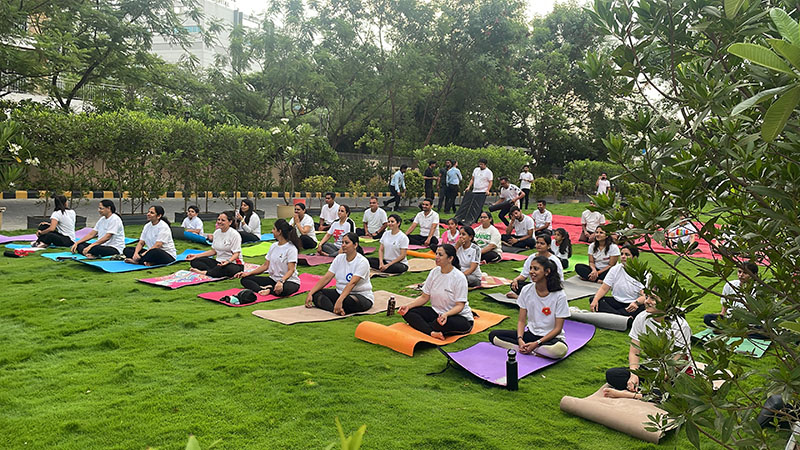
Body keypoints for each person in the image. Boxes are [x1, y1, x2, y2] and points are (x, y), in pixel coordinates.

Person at [603, 296, 692, 399]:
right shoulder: (642, 317)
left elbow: (677, 363)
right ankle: (649, 393)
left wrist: (658, 381)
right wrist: (634, 374)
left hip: (673, 375)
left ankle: (631, 395)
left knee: (679, 393)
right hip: (651, 370)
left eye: (653, 299)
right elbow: (634, 351)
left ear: (666, 301)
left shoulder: (680, 325)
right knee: (613, 375)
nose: (646, 301)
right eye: (647, 297)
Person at [489, 255, 570, 359]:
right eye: (530, 268)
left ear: (547, 272)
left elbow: (558, 329)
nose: (531, 272)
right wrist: (520, 339)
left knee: (559, 350)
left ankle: (530, 348)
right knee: (494, 335)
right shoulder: (526, 290)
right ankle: (527, 348)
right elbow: (521, 321)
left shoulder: (559, 295)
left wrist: (536, 343)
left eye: (536, 269)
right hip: (531, 334)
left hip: (550, 338)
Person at [398, 244, 474, 339]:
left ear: (450, 258)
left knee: (441, 323)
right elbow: (424, 297)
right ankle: (432, 332)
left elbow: (460, 305)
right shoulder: (434, 272)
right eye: (436, 254)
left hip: (457, 316)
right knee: (409, 313)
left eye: (440, 255)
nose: (436, 257)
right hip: (437, 313)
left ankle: (427, 327)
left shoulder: (459, 277)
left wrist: (446, 314)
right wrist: (408, 306)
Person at [306, 233, 374, 315]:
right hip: (339, 292)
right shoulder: (339, 258)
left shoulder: (362, 262)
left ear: (355, 245)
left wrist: (340, 300)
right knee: (316, 294)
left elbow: (352, 283)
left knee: (347, 301)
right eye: (342, 243)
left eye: (347, 243)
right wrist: (311, 293)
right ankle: (335, 309)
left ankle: (337, 306)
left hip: (359, 295)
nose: (343, 245)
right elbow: (327, 277)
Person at [235, 219, 302, 297]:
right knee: (245, 280)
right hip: (273, 280)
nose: (272, 231)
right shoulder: (273, 246)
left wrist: (281, 281)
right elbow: (265, 266)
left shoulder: (291, 248)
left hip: (288, 281)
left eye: (274, 229)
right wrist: (247, 274)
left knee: (283, 290)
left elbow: (291, 270)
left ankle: (269, 290)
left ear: (279, 232)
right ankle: (262, 290)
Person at [589, 245, 648, 317]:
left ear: (635, 257)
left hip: (633, 304)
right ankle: (621, 317)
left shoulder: (642, 272)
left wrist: (636, 303)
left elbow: (645, 296)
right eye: (622, 254)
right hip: (616, 302)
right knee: (593, 299)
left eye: (627, 255)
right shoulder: (615, 269)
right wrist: (595, 300)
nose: (623, 256)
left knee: (644, 307)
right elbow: (604, 288)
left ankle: (615, 316)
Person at [186, 211, 244, 278]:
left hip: (232, 263)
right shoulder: (216, 232)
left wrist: (228, 261)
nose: (219, 222)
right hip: (218, 262)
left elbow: (236, 254)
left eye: (223, 220)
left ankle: (205, 272)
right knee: (195, 261)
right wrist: (196, 256)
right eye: (218, 219)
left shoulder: (235, 235)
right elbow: (214, 251)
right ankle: (213, 272)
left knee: (229, 269)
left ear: (230, 222)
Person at [703, 261, 758, 330]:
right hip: (731, 320)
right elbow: (725, 304)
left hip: (750, 322)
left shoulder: (759, 290)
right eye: (739, 272)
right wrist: (722, 314)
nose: (741, 275)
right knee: (707, 318)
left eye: (745, 273)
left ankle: (732, 330)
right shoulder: (730, 285)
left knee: (762, 330)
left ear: (754, 274)